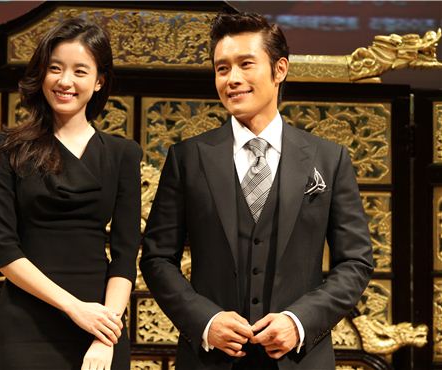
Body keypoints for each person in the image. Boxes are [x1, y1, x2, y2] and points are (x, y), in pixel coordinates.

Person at [140, 12, 373, 370]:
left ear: (279, 70)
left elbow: (355, 261)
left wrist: (299, 323)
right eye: (222, 68)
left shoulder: (329, 159)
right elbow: (157, 258)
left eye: (245, 65)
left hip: (299, 358)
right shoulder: (188, 158)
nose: (233, 79)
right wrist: (205, 321)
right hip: (211, 359)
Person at [0, 18, 141, 370]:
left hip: (102, 323)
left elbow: (124, 254)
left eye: (80, 71)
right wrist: (74, 308)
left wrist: (105, 332)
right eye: (55, 68)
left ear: (100, 80)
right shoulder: (6, 148)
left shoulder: (123, 154)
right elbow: (4, 250)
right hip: (27, 322)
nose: (65, 81)